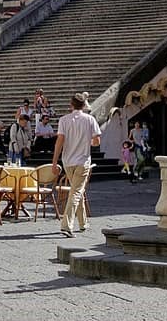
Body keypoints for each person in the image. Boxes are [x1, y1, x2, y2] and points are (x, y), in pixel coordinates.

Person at [52, 92, 102, 237]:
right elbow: (97, 141)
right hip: (82, 160)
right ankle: (67, 225)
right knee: (76, 192)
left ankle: (83, 222)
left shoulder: (64, 120)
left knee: (76, 190)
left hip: (67, 161)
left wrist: (54, 161)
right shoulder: (90, 119)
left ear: (71, 105)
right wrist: (88, 142)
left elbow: (59, 141)